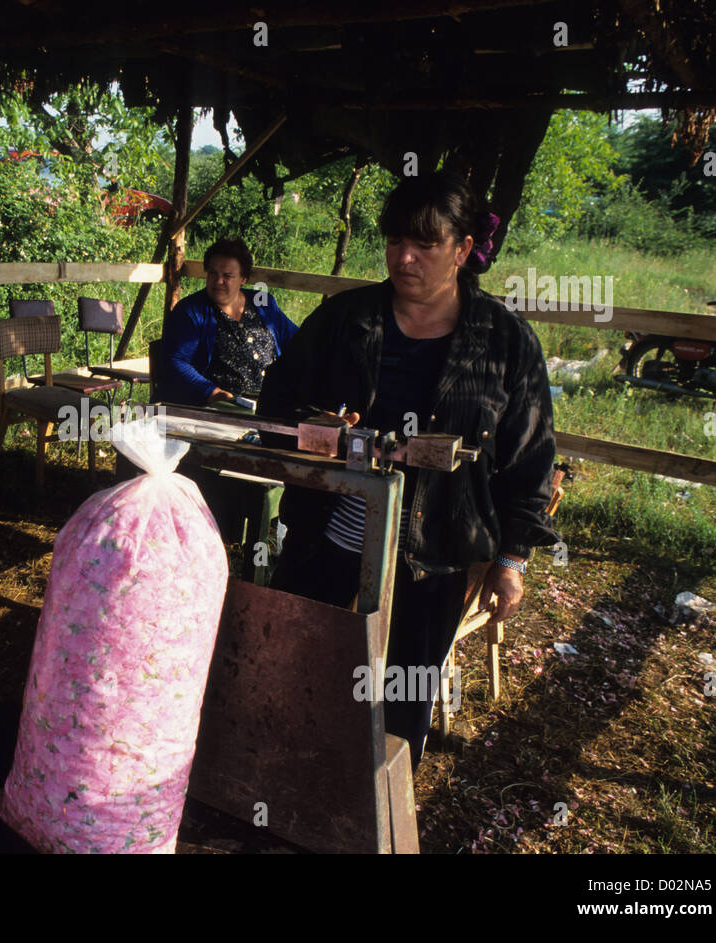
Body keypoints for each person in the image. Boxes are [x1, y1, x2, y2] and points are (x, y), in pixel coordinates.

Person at [259, 171, 559, 770]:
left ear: (464, 249)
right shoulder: (346, 320)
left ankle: (376, 806)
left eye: (425, 243)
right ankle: (282, 784)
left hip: (436, 547)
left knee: (401, 693)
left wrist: (511, 560)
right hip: (331, 528)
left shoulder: (504, 342)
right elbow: (278, 404)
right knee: (295, 661)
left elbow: (529, 458)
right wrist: (323, 427)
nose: (404, 257)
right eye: (396, 240)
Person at [157, 238, 298, 408]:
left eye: (227, 276)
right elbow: (175, 362)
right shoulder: (190, 311)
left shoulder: (262, 302)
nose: (218, 281)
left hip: (267, 403)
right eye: (212, 273)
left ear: (243, 278)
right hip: (217, 408)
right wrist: (212, 392)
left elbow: (297, 341)